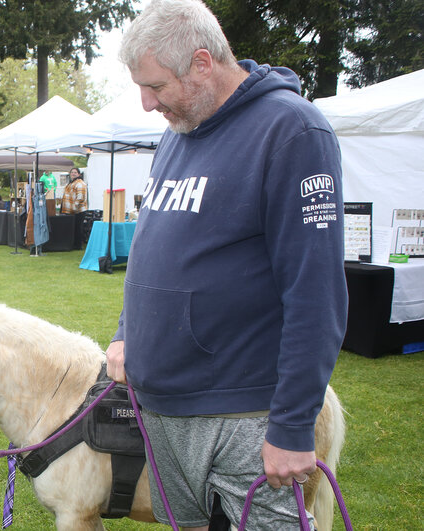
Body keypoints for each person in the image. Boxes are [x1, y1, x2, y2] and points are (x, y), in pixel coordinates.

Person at [105, 0, 347, 528]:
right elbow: (153, 252)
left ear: (201, 63)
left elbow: (316, 292)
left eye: (156, 86)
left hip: (243, 414)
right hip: (163, 407)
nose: (147, 104)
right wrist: (127, 332)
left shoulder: (292, 131)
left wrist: (291, 426)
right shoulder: (177, 133)